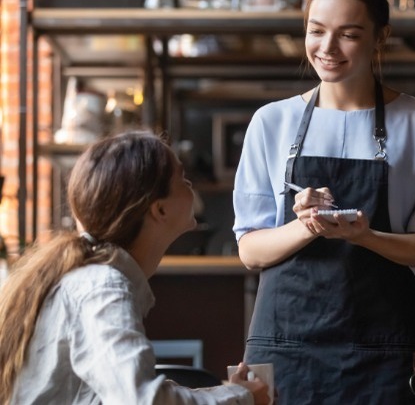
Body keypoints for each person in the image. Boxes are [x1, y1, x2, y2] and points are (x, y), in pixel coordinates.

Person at [232, 0, 415, 403]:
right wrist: (307, 226)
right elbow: (250, 249)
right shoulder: (270, 122)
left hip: (382, 351)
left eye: (348, 34)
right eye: (316, 32)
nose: (327, 49)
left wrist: (365, 237)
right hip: (285, 350)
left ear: (380, 37)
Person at [0, 131, 271, 405]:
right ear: (159, 210)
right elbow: (142, 401)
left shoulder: (94, 278)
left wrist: (228, 393)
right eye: (180, 177)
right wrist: (242, 398)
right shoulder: (103, 287)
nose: (189, 181)